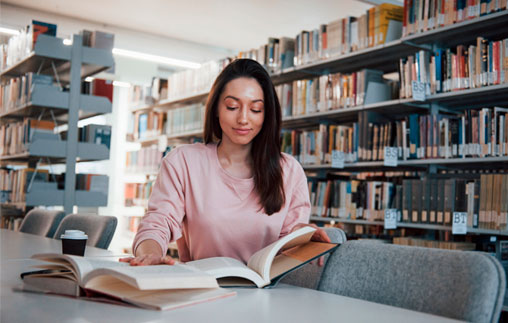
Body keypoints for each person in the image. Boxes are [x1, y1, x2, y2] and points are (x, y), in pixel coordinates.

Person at [120, 58, 330, 267]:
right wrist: (150, 254)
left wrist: (302, 237)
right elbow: (158, 222)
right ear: (216, 108)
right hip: (203, 288)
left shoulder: (289, 171)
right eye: (232, 107)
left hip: (266, 293)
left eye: (256, 109)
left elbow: (288, 243)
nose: (243, 119)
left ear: (267, 115)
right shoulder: (183, 162)